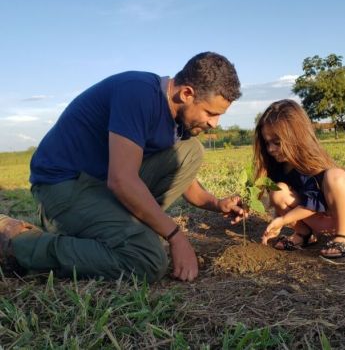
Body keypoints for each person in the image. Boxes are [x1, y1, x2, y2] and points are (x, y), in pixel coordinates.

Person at [0, 52, 246, 282]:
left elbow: (185, 181)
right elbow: (121, 180)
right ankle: (20, 244)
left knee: (191, 152)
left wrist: (216, 204)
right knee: (147, 259)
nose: (215, 124)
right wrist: (176, 236)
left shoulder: (176, 120)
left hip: (99, 185)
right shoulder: (138, 93)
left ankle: (119, 229)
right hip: (63, 186)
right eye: (210, 113)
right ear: (186, 94)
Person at [256, 100, 345, 258]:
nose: (270, 149)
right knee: (278, 191)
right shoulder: (278, 167)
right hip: (318, 221)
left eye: (277, 142)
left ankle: (344, 237)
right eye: (267, 143)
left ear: (297, 137)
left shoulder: (311, 164)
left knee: (336, 176)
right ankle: (305, 235)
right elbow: (290, 204)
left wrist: (283, 220)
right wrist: (277, 222)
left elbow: (315, 202)